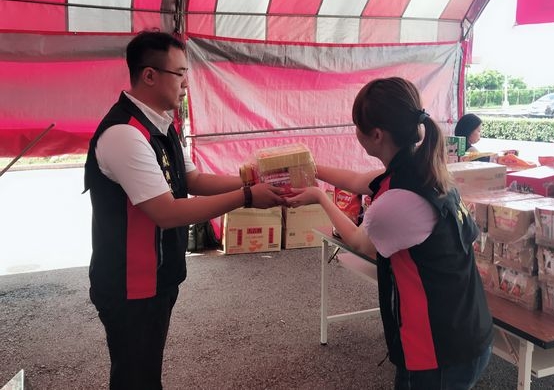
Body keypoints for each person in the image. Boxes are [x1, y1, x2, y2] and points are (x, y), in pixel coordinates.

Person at [84, 31, 285, 390]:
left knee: (145, 371)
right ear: (149, 75)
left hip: (158, 276)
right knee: (135, 378)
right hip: (130, 284)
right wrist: (247, 196)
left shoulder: (161, 125)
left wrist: (253, 180)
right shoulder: (125, 134)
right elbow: (167, 212)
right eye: (180, 73)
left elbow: (192, 180)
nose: (186, 84)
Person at [286, 77, 493, 390]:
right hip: (468, 328)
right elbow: (356, 180)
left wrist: (319, 197)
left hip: (438, 350)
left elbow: (359, 242)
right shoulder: (421, 166)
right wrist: (306, 168)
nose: (355, 132)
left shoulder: (396, 201)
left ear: (376, 135)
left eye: (357, 125)